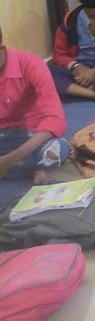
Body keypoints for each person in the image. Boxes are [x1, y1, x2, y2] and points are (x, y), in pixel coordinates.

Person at [0, 27, 69, 205]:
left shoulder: (30, 63)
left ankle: (19, 166)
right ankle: (29, 168)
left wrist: (9, 160)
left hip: (29, 135)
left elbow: (55, 119)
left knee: (57, 147)